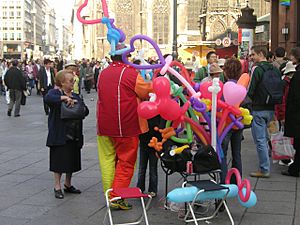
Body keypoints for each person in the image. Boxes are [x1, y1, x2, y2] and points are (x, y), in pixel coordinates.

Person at [97, 44, 152, 210]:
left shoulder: (103, 73)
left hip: (103, 126)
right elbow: (146, 92)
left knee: (107, 160)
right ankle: (116, 197)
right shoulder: (129, 73)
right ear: (124, 56)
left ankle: (109, 194)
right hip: (125, 126)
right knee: (126, 162)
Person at [44, 69, 89, 199]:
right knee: (58, 160)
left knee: (72, 159)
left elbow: (85, 111)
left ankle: (68, 184)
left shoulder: (76, 96)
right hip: (59, 133)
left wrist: (76, 104)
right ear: (62, 83)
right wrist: (63, 98)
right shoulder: (55, 93)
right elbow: (48, 99)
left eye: (73, 81)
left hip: (73, 133)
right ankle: (57, 186)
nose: (72, 83)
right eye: (70, 81)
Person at [248, 46, 282, 178]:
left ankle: (264, 169)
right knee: (269, 136)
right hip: (271, 108)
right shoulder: (275, 68)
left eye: (253, 54)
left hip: (259, 109)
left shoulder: (257, 69)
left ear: (260, 54)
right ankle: (272, 159)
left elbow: (251, 89)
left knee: (260, 140)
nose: (251, 57)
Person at [220, 58, 244, 183]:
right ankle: (237, 181)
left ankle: (224, 181)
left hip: (225, 125)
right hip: (238, 124)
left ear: (225, 71)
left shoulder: (223, 87)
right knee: (237, 154)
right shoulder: (242, 86)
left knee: (222, 153)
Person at [281, 47, 300, 177]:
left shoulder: (298, 74)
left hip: (297, 114)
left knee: (298, 143)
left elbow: (295, 97)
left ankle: (295, 168)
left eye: (292, 56)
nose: (290, 58)